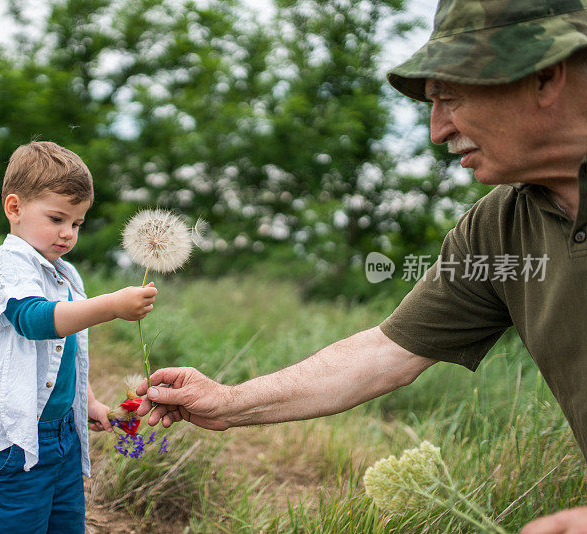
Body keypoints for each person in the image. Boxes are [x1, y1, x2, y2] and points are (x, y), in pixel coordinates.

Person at [135, 1, 587, 531]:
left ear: (544, 75)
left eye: (450, 97)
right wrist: (229, 401)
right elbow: (386, 351)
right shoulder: (501, 227)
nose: (437, 131)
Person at [0, 141, 158, 533]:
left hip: (62, 436)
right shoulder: (8, 265)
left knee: (66, 525)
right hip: (14, 442)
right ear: (15, 208)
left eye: (76, 223)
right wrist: (111, 307)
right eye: (57, 218)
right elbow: (34, 321)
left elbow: (63, 355)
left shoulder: (66, 274)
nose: (68, 234)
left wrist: (88, 403)